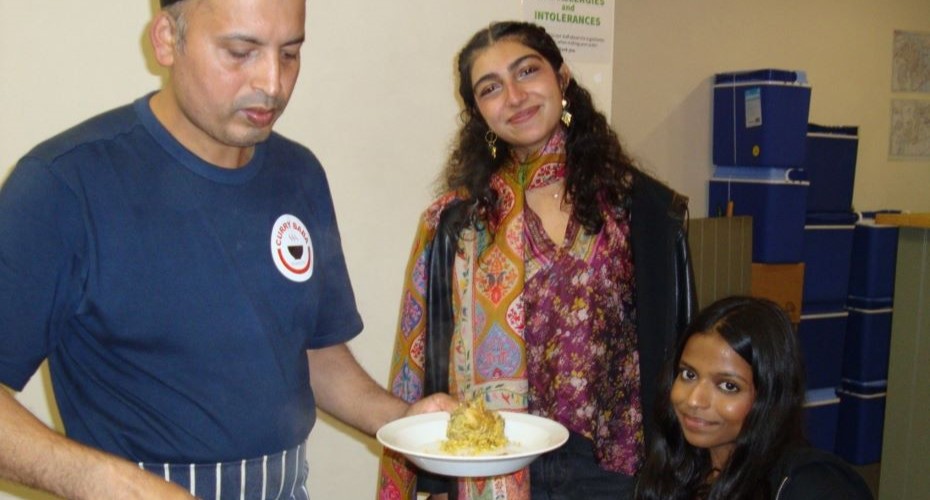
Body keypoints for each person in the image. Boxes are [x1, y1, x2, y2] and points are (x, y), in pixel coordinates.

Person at [0, 1, 454, 499]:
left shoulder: (298, 174)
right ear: (167, 40)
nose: (273, 83)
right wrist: (106, 482)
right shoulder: (64, 184)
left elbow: (312, 349)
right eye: (241, 52)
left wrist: (403, 421)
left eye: (291, 54)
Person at [378, 21, 696, 500]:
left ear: (562, 78)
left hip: (616, 472)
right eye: (490, 88)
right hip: (490, 465)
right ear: (478, 113)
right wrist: (438, 484)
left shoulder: (645, 210)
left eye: (527, 71)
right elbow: (431, 364)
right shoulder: (455, 225)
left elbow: (680, 346)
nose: (514, 95)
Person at [634, 296, 873, 499]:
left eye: (728, 386)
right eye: (688, 374)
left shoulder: (809, 484)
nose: (695, 400)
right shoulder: (677, 469)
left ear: (770, 396)